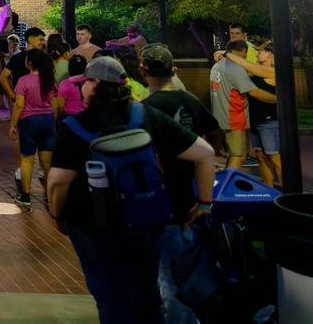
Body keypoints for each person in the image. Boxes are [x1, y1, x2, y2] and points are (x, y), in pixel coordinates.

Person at [47, 57, 216, 324]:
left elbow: (58, 180)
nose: (81, 88)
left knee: (109, 296)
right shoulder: (144, 114)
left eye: (85, 83)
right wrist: (205, 203)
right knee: (147, 293)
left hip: (93, 224)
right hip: (145, 217)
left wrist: (58, 214)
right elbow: (205, 154)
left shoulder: (76, 125)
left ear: (96, 84)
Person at [141, 44, 223, 324]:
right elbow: (215, 136)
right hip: (194, 198)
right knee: (192, 270)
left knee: (167, 277)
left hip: (161, 201)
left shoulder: (145, 110)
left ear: (143, 72)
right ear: (174, 70)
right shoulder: (190, 101)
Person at [219, 42, 280, 185]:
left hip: (269, 122)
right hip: (256, 120)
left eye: (261, 52)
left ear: (270, 54)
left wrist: (227, 54)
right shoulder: (256, 71)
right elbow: (243, 70)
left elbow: (248, 66)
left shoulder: (272, 70)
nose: (257, 54)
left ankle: (288, 194)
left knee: (275, 158)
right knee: (260, 156)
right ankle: (269, 192)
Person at [209, 39, 273, 170]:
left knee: (231, 155)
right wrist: (280, 99)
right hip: (234, 119)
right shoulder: (236, 69)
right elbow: (254, 93)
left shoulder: (217, 66)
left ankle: (224, 183)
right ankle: (227, 188)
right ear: (244, 51)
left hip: (220, 117)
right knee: (238, 156)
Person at [9, 48, 58, 208]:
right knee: (47, 162)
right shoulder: (49, 80)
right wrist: (54, 120)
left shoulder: (23, 80)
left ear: (29, 63)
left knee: (27, 159)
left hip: (29, 121)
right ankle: (48, 195)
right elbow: (55, 104)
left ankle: (25, 195)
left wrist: (13, 125)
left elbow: (19, 104)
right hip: (48, 120)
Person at [0, 27, 46, 118]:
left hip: (41, 104)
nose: (43, 42)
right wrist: (12, 95)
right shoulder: (18, 58)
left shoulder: (44, 57)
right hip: (23, 103)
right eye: (40, 39)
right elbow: (3, 77)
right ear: (31, 39)